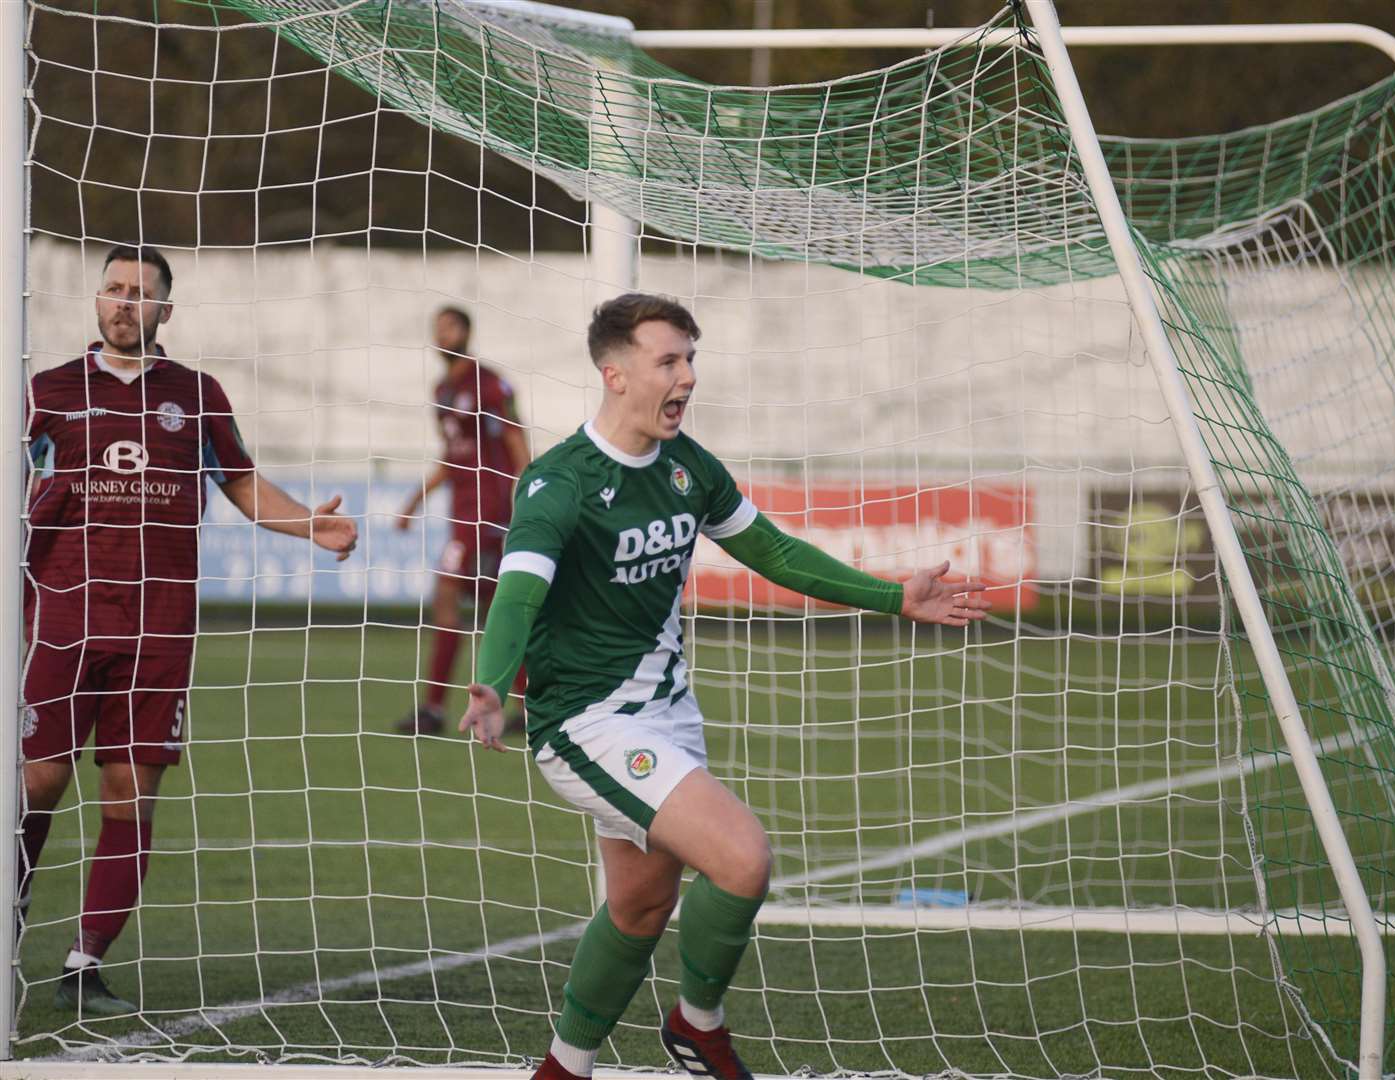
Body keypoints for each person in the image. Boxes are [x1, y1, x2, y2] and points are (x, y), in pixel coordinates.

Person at [457, 294, 991, 1080]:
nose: (686, 377)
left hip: (667, 716)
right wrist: (492, 685)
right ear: (615, 373)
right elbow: (519, 591)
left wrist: (892, 597)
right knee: (742, 861)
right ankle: (695, 1026)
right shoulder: (559, 483)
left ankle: (564, 1069)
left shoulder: (687, 467)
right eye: (667, 360)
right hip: (586, 724)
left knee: (640, 906)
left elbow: (772, 551)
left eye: (690, 360)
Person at [19, 245, 359, 1016]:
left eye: (141, 293)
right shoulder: (46, 391)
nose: (123, 303)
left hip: (161, 628)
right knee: (37, 783)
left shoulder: (196, 395)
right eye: (113, 289)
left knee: (129, 792)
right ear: (96, 300)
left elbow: (237, 479)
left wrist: (310, 526)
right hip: (63, 620)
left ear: (166, 311)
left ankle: (84, 962)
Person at [395, 306, 530, 735]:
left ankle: (433, 708)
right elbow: (452, 459)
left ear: (467, 332)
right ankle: (529, 705)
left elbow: (515, 440)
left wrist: (526, 499)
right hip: (462, 514)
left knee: (448, 592)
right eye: (437, 328)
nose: (442, 334)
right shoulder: (442, 391)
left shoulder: (489, 383)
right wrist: (414, 500)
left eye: (450, 326)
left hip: (490, 511)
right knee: (496, 607)